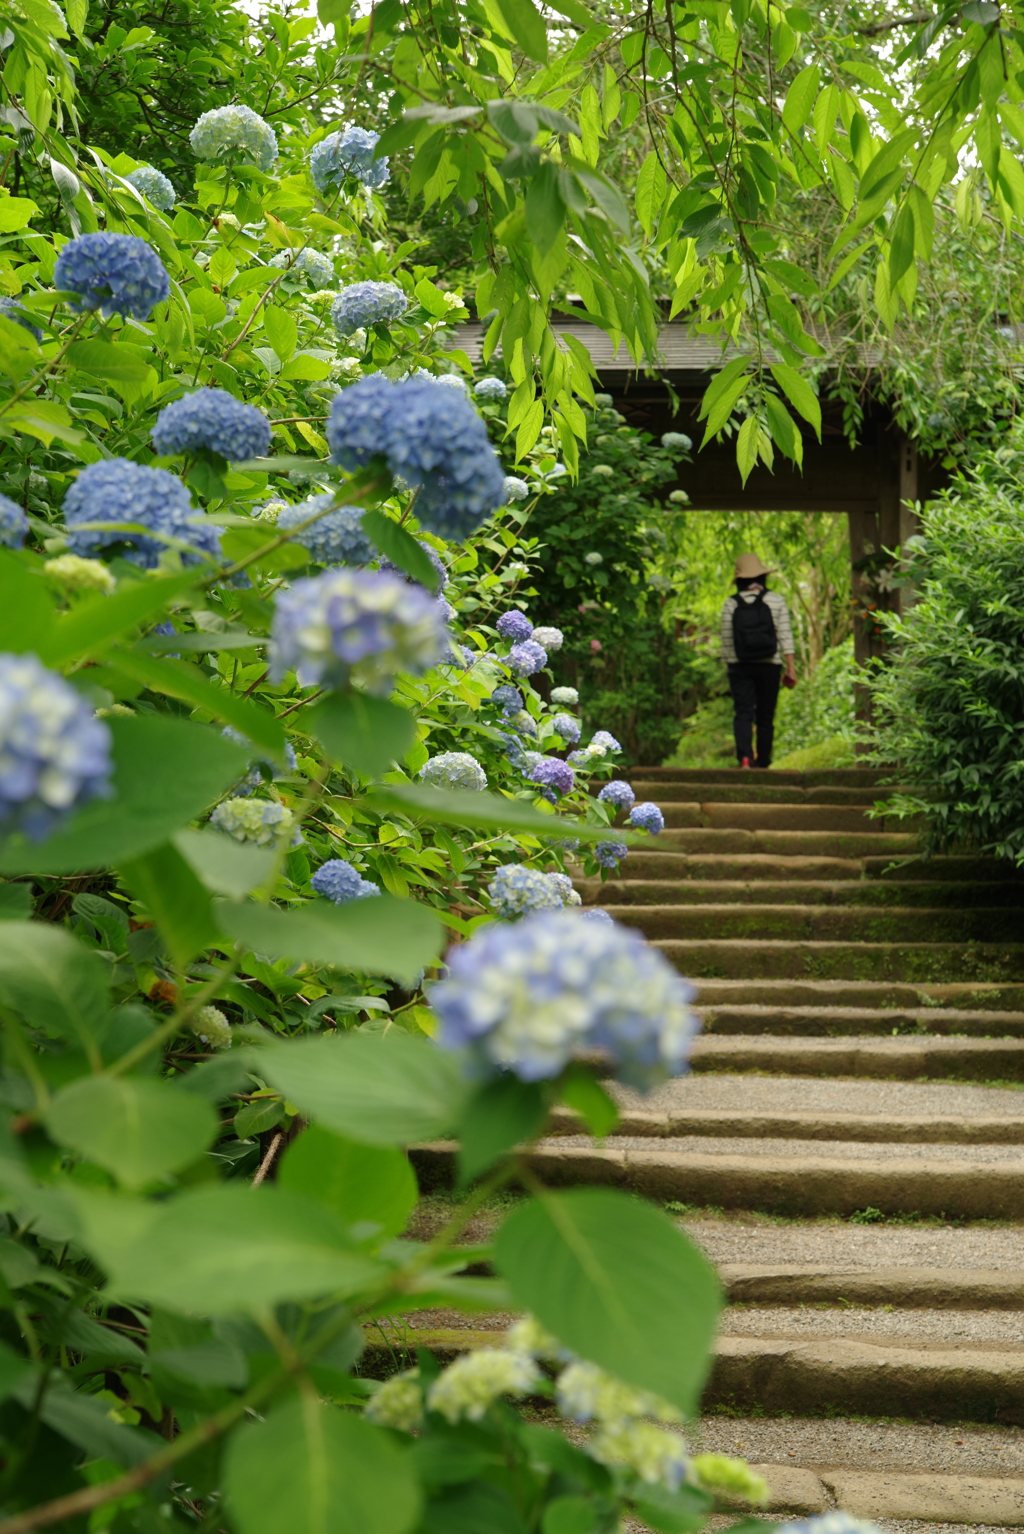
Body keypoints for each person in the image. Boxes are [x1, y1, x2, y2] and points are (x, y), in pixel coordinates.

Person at [719, 553, 797, 769]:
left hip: (739, 665)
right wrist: (790, 667)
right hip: (769, 665)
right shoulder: (775, 600)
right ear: (762, 577)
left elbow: (726, 639)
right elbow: (785, 636)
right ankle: (763, 762)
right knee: (765, 716)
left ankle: (745, 757)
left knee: (743, 712)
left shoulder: (731, 604)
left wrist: (730, 664)